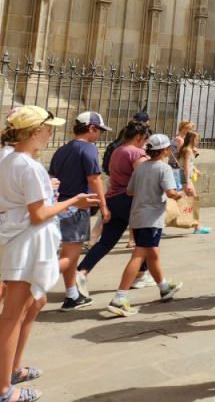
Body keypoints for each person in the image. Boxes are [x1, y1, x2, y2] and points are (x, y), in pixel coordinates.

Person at [0, 106, 98, 402]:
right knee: (12, 317)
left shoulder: (11, 160)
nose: (51, 133)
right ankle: (5, 389)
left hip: (19, 241)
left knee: (19, 312)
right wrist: (74, 200)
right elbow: (39, 212)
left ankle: (9, 377)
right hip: (27, 244)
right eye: (47, 128)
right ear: (32, 132)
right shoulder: (27, 165)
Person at [105, 134, 184, 317]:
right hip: (151, 218)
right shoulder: (164, 168)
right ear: (164, 150)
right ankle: (119, 297)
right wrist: (181, 193)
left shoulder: (140, 168)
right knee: (139, 255)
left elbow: (130, 190)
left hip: (138, 216)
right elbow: (171, 193)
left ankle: (164, 287)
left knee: (152, 253)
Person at [77, 121, 152, 292]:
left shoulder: (118, 150)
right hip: (129, 200)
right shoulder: (137, 153)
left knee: (106, 242)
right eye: (145, 140)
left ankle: (82, 270)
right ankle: (140, 276)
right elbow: (142, 178)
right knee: (145, 241)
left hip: (113, 199)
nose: (145, 144)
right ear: (139, 137)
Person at [49, 111, 110, 312]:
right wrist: (103, 205)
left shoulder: (62, 150)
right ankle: (34, 279)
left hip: (60, 206)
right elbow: (94, 179)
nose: (100, 134)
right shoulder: (89, 149)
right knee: (69, 256)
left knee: (71, 255)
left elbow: (53, 178)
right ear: (91, 128)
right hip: (77, 206)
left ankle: (72, 295)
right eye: (99, 130)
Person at [175, 130, 211, 234]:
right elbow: (186, 166)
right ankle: (197, 227)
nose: (198, 141)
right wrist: (187, 181)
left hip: (186, 178)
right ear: (192, 139)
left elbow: (189, 164)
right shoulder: (188, 150)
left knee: (193, 202)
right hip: (186, 179)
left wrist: (195, 170)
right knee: (193, 203)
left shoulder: (188, 150)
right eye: (197, 139)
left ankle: (197, 226)